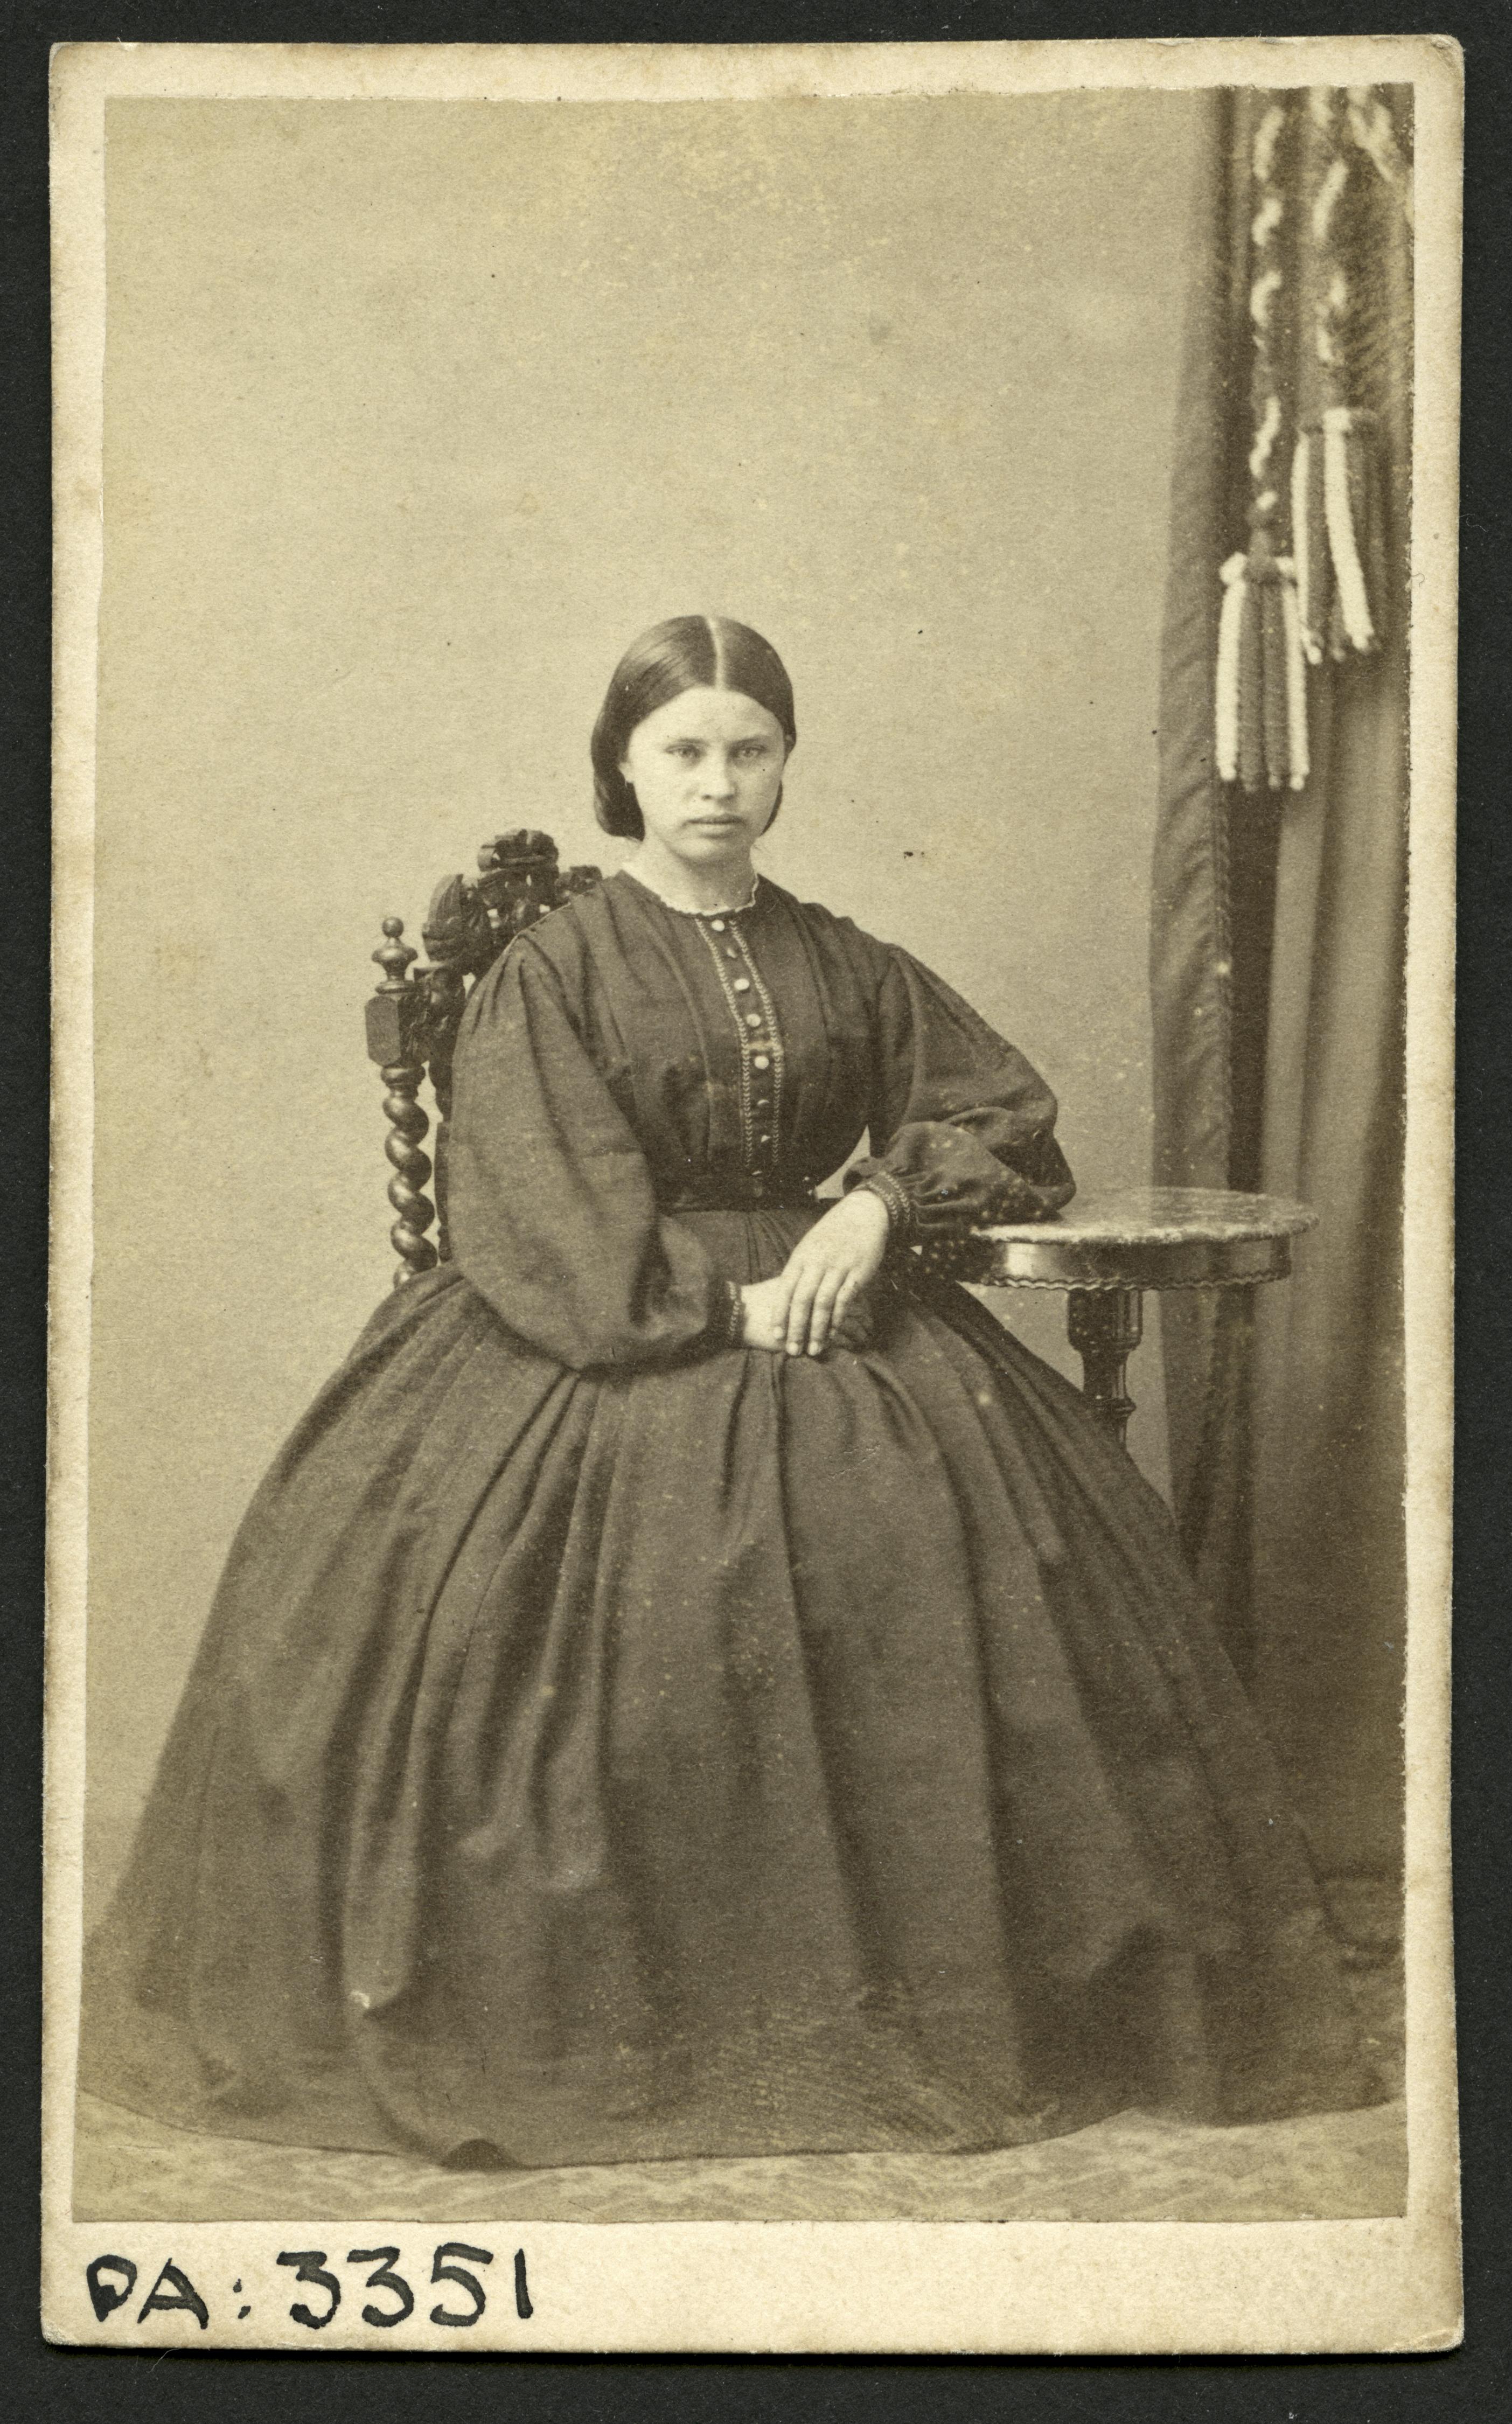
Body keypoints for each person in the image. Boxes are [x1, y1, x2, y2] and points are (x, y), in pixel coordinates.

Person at [81, 615, 1376, 2171]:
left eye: (749, 750)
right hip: (602, 1331)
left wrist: (877, 1210)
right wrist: (719, 1306)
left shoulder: (839, 956)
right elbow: (537, 1200)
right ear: (624, 767)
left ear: (784, 766)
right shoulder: (557, 965)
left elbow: (1003, 1111)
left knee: (946, 1548)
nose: (717, 781)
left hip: (846, 1308)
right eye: (683, 750)